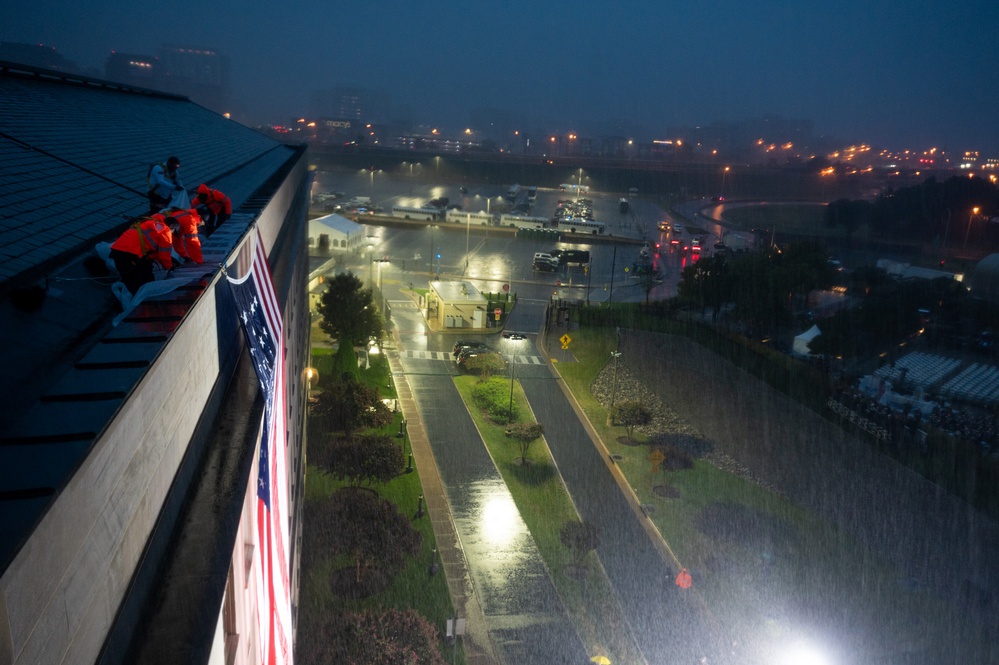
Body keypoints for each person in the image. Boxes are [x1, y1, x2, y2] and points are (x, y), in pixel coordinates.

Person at [109, 215, 175, 295]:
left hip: (117, 250)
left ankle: (126, 300)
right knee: (145, 281)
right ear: (171, 226)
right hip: (131, 254)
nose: (172, 235)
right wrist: (168, 267)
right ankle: (144, 301)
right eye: (173, 232)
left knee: (128, 279)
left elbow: (147, 247)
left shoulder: (150, 222)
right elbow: (164, 255)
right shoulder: (166, 231)